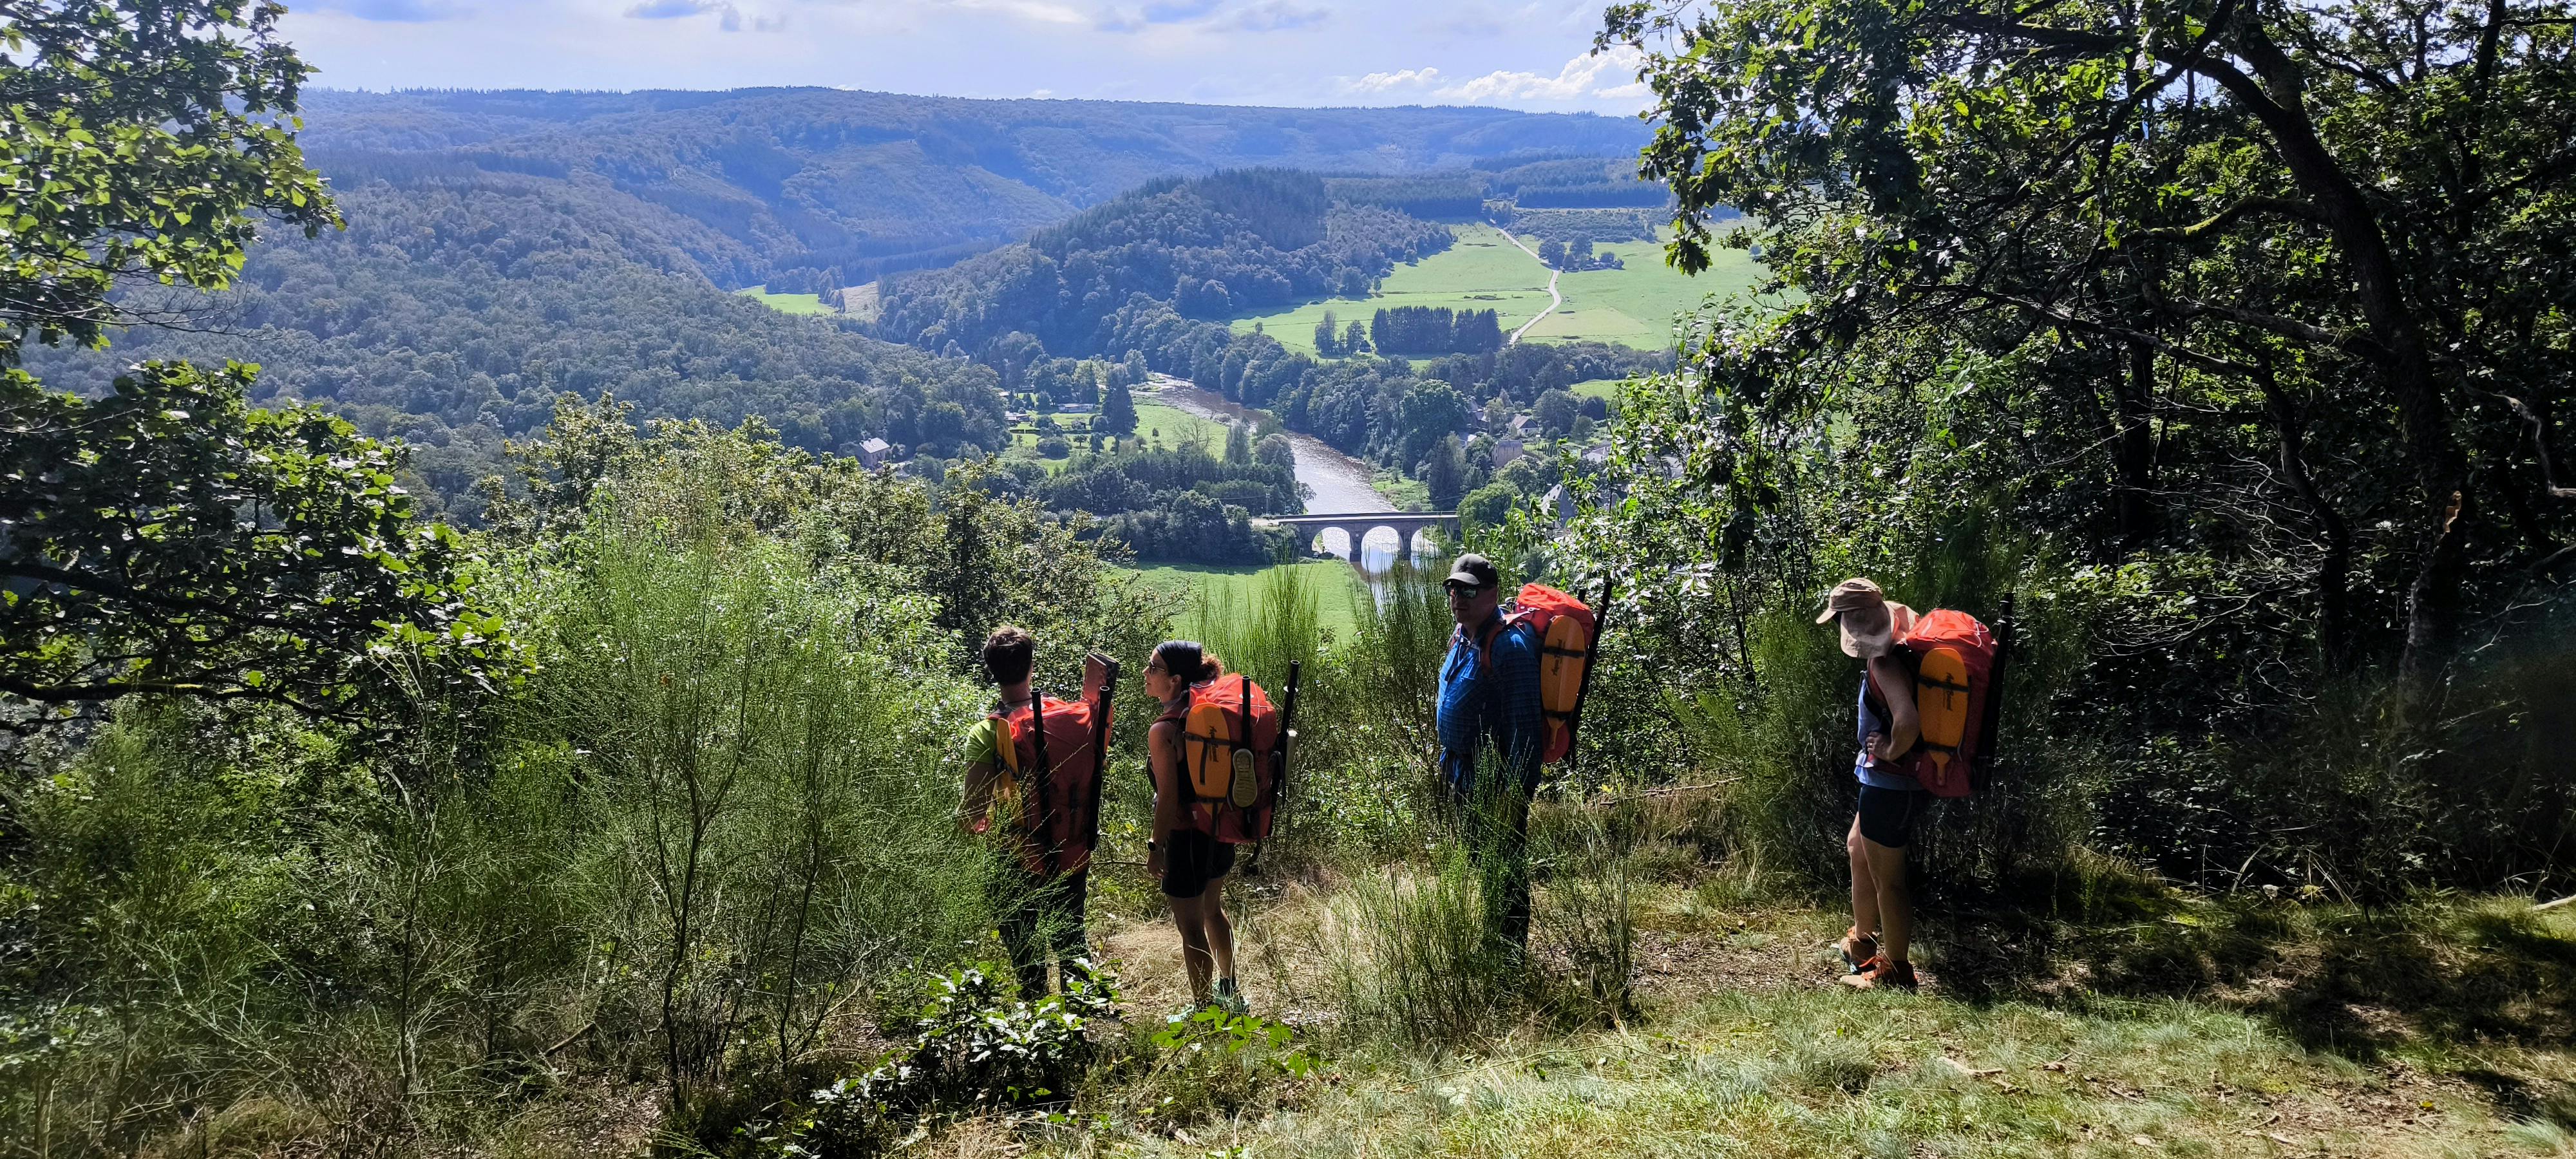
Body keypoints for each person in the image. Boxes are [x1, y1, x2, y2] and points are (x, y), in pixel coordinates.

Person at [958, 625, 1099, 1000]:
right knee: (1071, 938)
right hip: (1071, 847)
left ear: (991, 671)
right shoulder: (1067, 718)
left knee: (1026, 952)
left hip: (1014, 855)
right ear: (1031, 666)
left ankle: (1034, 1024)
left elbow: (973, 810)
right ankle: (1080, 1019)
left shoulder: (988, 732)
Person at [1434, 553, 1546, 949]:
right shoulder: (1464, 635)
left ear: (1492, 593)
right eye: (1452, 588)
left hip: (1494, 781)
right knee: (1485, 864)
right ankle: (1493, 942)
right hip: (1463, 775)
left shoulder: (1508, 649)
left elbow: (1526, 732)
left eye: (1468, 589)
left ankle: (1509, 956)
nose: (1457, 597)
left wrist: (1514, 796)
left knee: (1505, 867)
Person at [1818, 578, 1924, 991]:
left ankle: (1896, 970)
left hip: (1890, 785)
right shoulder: (1893, 653)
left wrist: (1892, 749)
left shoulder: (1885, 663)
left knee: (1890, 881)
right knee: (1856, 847)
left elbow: (1908, 721)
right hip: (1880, 781)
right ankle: (1862, 943)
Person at [1144, 639, 1245, 1013]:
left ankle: (1204, 1010)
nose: (1146, 673)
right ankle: (1230, 991)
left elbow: (1168, 799)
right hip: (1220, 826)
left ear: (1173, 680)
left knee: (1190, 929)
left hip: (1186, 838)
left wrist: (1156, 846)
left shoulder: (1164, 730)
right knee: (1213, 909)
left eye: (1153, 668)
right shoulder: (1208, 710)